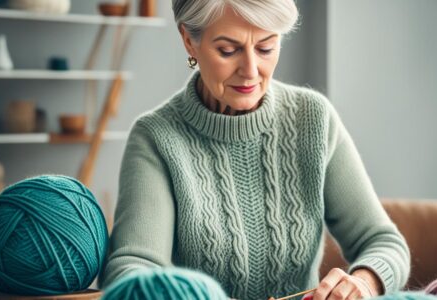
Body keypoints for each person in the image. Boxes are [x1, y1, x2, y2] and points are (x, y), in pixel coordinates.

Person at [100, 1, 411, 299]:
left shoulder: (313, 119)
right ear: (189, 41)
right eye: (228, 50)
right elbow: (130, 271)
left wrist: (364, 283)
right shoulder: (156, 138)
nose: (250, 70)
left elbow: (384, 243)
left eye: (266, 47)